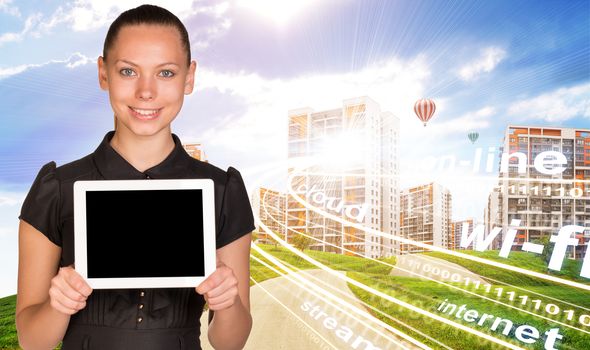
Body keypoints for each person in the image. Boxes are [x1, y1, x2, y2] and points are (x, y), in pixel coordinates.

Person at [15, 4, 254, 350]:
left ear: (189, 77)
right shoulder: (56, 189)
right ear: (103, 73)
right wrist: (58, 304)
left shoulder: (222, 191)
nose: (146, 92)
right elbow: (31, 341)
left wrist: (226, 300)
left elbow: (229, 343)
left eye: (166, 73)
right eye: (128, 71)